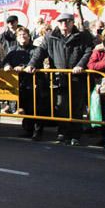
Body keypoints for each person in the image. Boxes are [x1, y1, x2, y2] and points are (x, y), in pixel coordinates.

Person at [25, 12, 94, 145]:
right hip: (58, 77)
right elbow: (40, 52)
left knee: (76, 107)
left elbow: (88, 52)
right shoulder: (50, 37)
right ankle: (62, 132)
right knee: (61, 106)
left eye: (67, 21)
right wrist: (32, 64)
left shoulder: (83, 36)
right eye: (61, 21)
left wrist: (80, 65)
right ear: (57, 23)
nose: (64, 24)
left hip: (77, 78)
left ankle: (75, 135)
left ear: (72, 22)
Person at [4, 27, 48, 140]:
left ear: (29, 36)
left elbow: (35, 61)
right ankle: (28, 130)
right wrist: (7, 65)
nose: (22, 37)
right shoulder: (13, 50)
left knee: (36, 108)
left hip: (35, 83)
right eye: (20, 35)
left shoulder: (36, 49)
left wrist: (23, 67)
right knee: (26, 108)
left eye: (24, 35)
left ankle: (38, 132)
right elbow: (6, 60)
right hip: (21, 84)